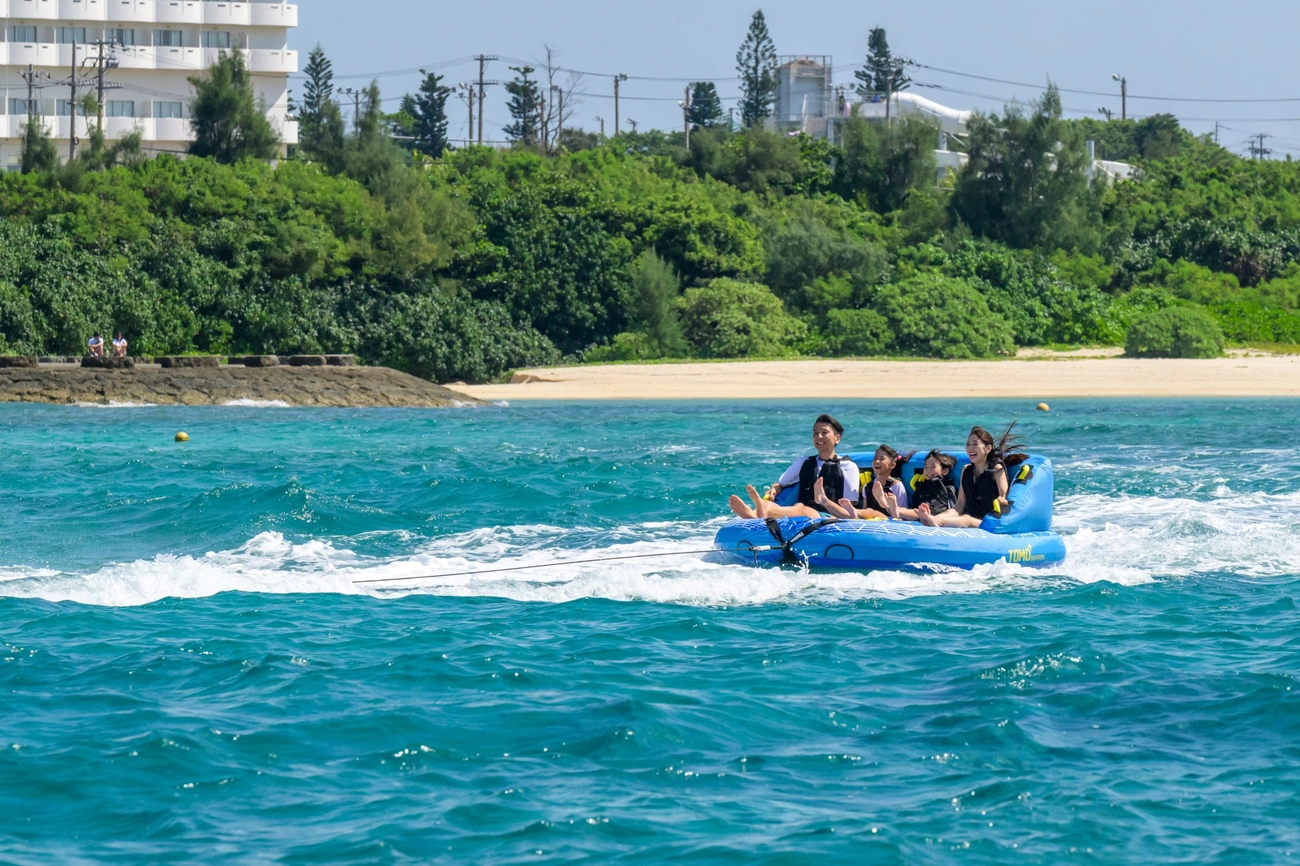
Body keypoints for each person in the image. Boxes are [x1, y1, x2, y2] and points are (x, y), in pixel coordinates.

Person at [728, 414, 860, 520]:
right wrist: (774, 489)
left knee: (801, 508)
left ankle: (759, 513)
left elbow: (849, 507)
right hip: (800, 513)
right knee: (794, 506)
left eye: (824, 432)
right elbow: (781, 484)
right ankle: (756, 513)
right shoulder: (803, 462)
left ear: (837, 438)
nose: (819, 436)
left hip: (829, 515)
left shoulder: (848, 467)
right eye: (815, 433)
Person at [919, 424, 1026, 528]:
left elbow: (1004, 495)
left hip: (991, 521)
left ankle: (938, 522)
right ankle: (934, 519)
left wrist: (1001, 499)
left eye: (975, 444)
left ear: (988, 448)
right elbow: (959, 505)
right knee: (954, 512)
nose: (970, 448)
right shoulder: (966, 470)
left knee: (967, 518)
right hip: (974, 517)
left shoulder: (996, 469)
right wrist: (939, 516)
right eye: (968, 444)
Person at [815, 444, 907, 520]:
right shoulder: (868, 486)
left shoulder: (896, 485)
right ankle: (825, 501)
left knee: (870, 511)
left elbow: (901, 512)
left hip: (889, 519)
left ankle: (831, 503)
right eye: (875, 458)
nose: (877, 461)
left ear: (892, 465)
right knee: (866, 511)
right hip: (871, 519)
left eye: (882, 459)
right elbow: (865, 509)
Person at [886, 450, 958, 523]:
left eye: (933, 467)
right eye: (926, 467)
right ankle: (892, 508)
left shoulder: (945, 487)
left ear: (945, 471)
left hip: (934, 515)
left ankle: (896, 510)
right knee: (913, 510)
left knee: (916, 511)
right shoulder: (922, 485)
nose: (928, 470)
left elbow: (946, 508)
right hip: (920, 513)